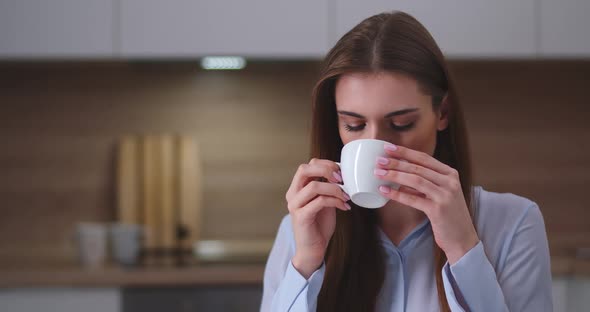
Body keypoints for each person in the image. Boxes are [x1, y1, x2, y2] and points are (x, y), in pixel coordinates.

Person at [260, 11, 552, 312]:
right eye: (354, 125)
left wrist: (463, 249)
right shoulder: (302, 229)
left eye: (401, 124)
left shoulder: (514, 223)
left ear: (442, 113)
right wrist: (308, 261)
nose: (378, 147)